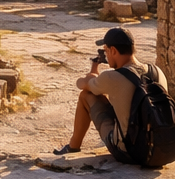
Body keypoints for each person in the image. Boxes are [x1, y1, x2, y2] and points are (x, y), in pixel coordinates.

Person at [53, 26, 167, 158]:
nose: (106, 55)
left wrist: (93, 70)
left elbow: (82, 84)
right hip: (161, 149)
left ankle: (72, 147)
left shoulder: (112, 77)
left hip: (130, 152)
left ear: (113, 50)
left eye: (106, 50)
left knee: (86, 95)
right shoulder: (157, 71)